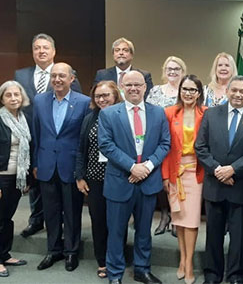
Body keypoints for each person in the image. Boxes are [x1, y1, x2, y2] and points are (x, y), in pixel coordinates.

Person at [98, 70, 170, 284]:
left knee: (144, 230)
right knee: (117, 231)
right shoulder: (109, 114)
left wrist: (146, 167)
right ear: (122, 87)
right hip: (120, 181)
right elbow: (106, 145)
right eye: (128, 85)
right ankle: (115, 273)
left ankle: (142, 269)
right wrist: (132, 167)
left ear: (145, 87)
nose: (133, 89)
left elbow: (164, 143)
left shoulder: (158, 113)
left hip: (148, 181)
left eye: (138, 84)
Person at [195, 76, 243, 284]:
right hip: (215, 184)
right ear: (227, 91)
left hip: (241, 185)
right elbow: (200, 147)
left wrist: (232, 170)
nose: (237, 94)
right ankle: (212, 273)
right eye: (234, 90)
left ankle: (236, 275)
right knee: (213, 234)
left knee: (239, 236)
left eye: (242, 92)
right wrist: (218, 170)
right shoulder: (211, 114)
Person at [14, 33, 81, 238]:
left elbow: (76, 105)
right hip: (31, 134)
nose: (41, 51)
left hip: (60, 136)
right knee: (36, 179)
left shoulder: (68, 75)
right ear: (33, 52)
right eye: (37, 48)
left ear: (54, 51)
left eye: (45, 48)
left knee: (59, 184)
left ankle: (60, 222)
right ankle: (36, 219)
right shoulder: (21, 75)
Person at [33, 63, 91, 272]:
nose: (57, 79)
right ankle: (53, 249)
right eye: (54, 75)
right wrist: (36, 163)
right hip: (46, 164)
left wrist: (81, 169)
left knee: (72, 211)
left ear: (71, 79)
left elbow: (84, 140)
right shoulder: (39, 100)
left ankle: (71, 252)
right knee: (51, 211)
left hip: (71, 166)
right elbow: (37, 133)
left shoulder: (84, 102)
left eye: (62, 76)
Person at [74, 81, 122, 279]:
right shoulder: (89, 119)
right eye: (98, 96)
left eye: (106, 95)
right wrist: (79, 176)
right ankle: (102, 261)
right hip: (94, 178)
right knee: (99, 221)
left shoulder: (123, 117)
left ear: (115, 96)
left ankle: (116, 258)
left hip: (119, 177)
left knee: (118, 222)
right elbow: (81, 150)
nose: (102, 99)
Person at [161, 74, 207, 284]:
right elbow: (163, 147)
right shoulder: (170, 113)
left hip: (195, 174)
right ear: (180, 91)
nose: (188, 93)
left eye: (193, 90)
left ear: (199, 93)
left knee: (191, 220)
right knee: (179, 219)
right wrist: (164, 175)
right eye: (185, 89)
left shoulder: (206, 114)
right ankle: (182, 259)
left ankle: (189, 264)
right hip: (175, 173)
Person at [147, 56, 187, 236]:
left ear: (183, 72)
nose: (172, 72)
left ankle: (176, 217)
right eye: (169, 68)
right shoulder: (155, 91)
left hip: (181, 143)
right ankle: (164, 214)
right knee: (160, 179)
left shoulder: (186, 91)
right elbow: (147, 113)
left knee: (178, 180)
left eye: (176, 69)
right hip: (158, 142)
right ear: (164, 71)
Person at [0, 81, 31, 277]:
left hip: (16, 178)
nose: (13, 98)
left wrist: (25, 177)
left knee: (7, 218)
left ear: (22, 97)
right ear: (2, 99)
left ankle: (5, 254)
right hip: (1, 177)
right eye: (8, 95)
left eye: (16, 95)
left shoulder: (23, 118)